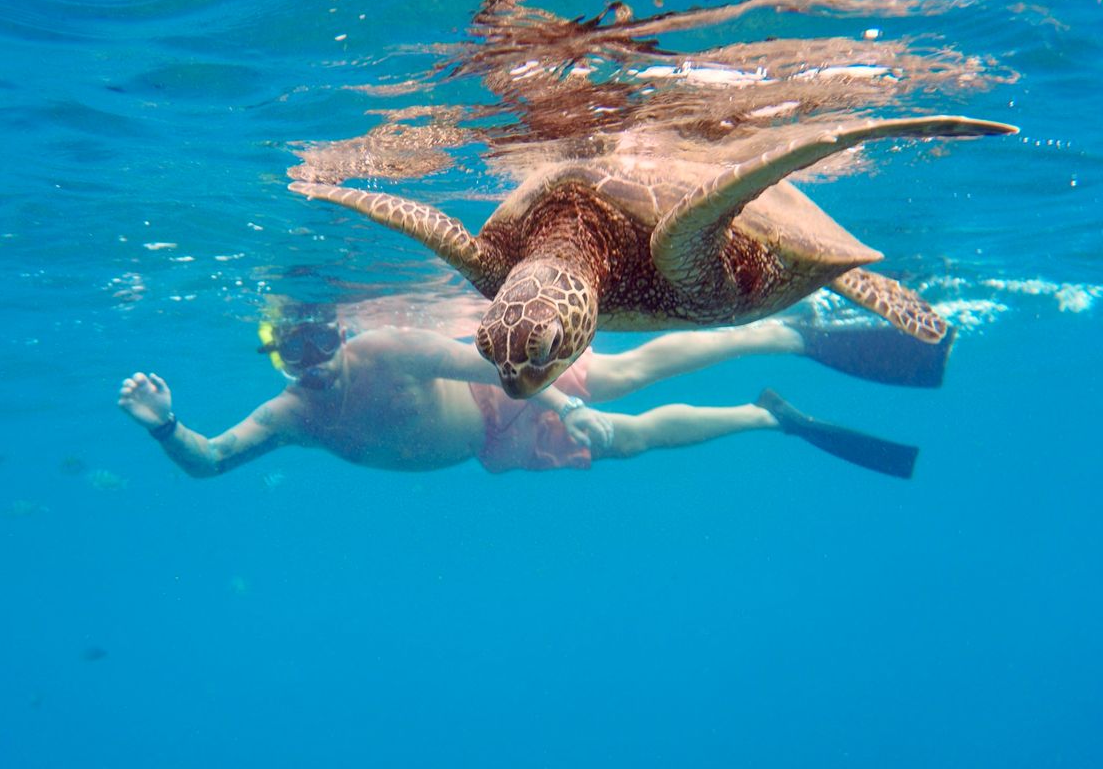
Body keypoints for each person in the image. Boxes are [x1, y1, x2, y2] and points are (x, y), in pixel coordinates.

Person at [118, 305, 951, 480]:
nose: (313, 362)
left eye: (320, 340)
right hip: (492, 442)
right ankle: (767, 417)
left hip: (508, 399)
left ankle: (785, 332)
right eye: (291, 352)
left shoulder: (389, 348)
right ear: (278, 359)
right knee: (627, 440)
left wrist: (564, 404)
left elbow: (496, 369)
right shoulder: (291, 416)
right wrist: (163, 426)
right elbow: (212, 460)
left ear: (340, 332)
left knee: (621, 380)